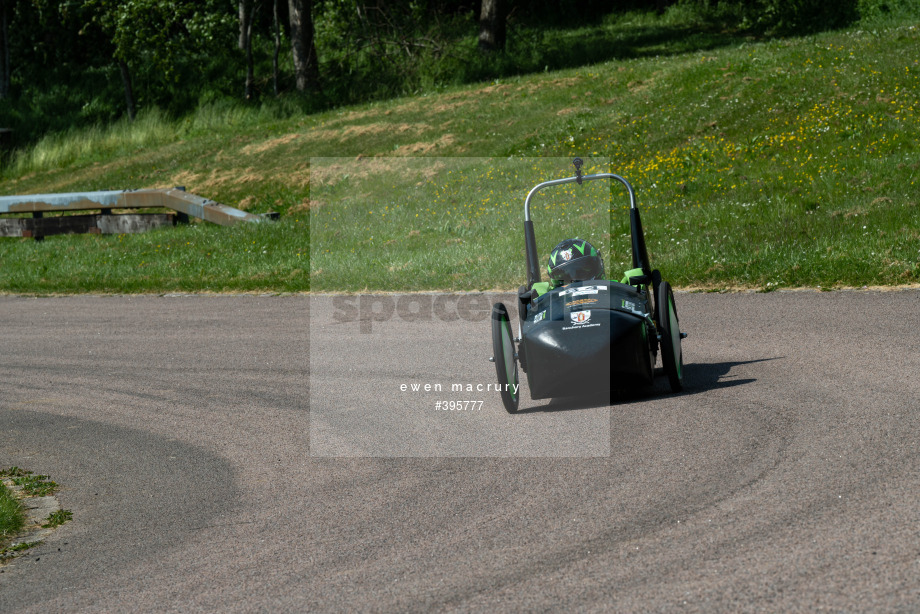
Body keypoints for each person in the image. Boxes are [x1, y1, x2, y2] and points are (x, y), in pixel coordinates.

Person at [531, 238, 605, 297]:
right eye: (566, 276)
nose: (575, 281)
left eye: (580, 272)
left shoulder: (613, 289)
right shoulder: (543, 294)